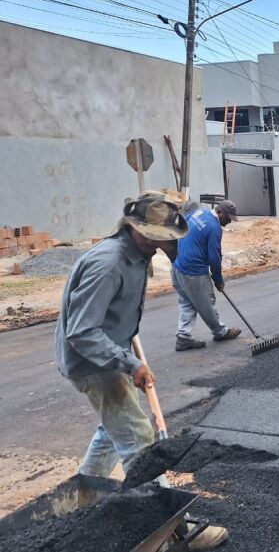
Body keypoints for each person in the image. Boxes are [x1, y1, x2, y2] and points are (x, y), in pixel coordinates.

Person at [56, 192, 229, 550]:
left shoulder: (138, 254)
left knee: (111, 429)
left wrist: (128, 343)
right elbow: (82, 332)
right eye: (165, 236)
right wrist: (131, 364)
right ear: (142, 231)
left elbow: (114, 314)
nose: (170, 242)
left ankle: (83, 501)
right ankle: (176, 528)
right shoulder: (108, 264)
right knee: (140, 443)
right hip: (94, 363)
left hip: (110, 354)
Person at [171, 200, 241, 351]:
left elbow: (180, 228)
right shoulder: (214, 228)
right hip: (193, 271)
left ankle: (183, 337)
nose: (229, 222)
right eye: (228, 218)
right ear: (220, 212)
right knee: (207, 303)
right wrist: (218, 279)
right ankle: (220, 332)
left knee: (187, 302)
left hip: (177, 266)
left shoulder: (198, 213)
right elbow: (214, 257)